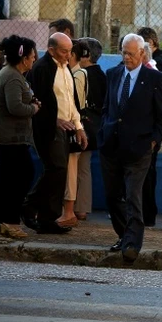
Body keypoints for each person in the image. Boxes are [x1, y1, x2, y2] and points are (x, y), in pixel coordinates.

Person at [100, 34, 162, 262]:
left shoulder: (154, 78)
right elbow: (106, 108)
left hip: (139, 148)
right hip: (112, 145)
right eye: (123, 52)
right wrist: (104, 130)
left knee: (132, 196)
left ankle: (132, 244)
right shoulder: (113, 75)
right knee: (112, 197)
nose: (127, 57)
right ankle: (124, 234)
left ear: (142, 53)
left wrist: (153, 141)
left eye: (131, 53)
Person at [22, 33, 86, 234]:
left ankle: (47, 218)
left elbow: (70, 101)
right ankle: (31, 205)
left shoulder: (65, 68)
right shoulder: (42, 69)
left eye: (70, 51)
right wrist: (55, 120)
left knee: (59, 171)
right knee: (56, 168)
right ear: (51, 50)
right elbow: (38, 101)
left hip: (66, 128)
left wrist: (79, 127)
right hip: (49, 128)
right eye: (64, 51)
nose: (68, 55)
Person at [0, 36, 39, 239]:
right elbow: (15, 107)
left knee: (9, 179)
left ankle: (0, 223)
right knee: (22, 176)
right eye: (32, 56)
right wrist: (33, 108)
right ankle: (11, 221)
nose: (34, 60)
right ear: (24, 58)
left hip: (9, 136)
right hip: (10, 138)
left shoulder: (13, 74)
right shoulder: (13, 76)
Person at [58, 40, 92, 228]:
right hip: (71, 126)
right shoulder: (68, 73)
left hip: (73, 126)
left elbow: (75, 103)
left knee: (74, 170)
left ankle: (71, 210)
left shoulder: (78, 75)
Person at [76, 37, 106, 220]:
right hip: (94, 128)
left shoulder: (82, 75)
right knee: (84, 168)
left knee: (74, 168)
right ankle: (82, 207)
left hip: (81, 126)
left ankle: (72, 206)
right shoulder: (102, 75)